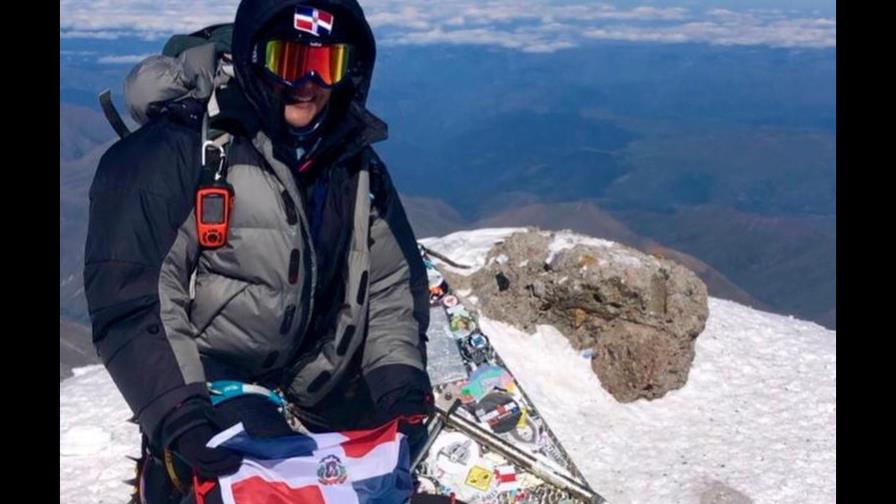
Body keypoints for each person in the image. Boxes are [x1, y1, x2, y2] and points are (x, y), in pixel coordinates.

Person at [84, 1, 433, 501]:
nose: (307, 81)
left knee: (384, 480)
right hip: (212, 373)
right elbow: (135, 295)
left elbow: (387, 285)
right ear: (253, 58)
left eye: (326, 63)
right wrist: (179, 413)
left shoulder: (352, 163)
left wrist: (398, 384)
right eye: (289, 60)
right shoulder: (180, 151)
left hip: (320, 369)